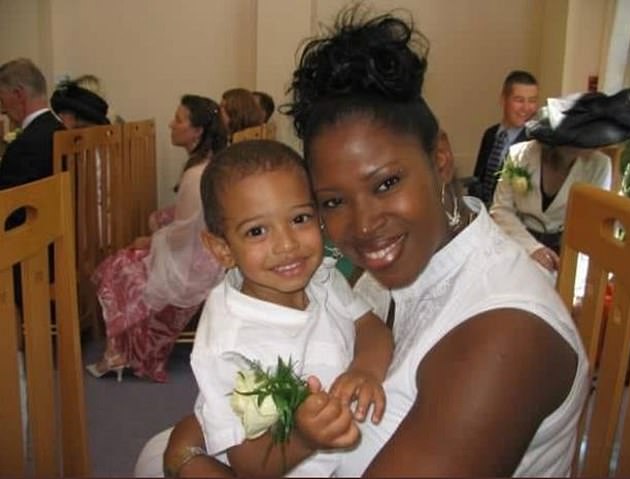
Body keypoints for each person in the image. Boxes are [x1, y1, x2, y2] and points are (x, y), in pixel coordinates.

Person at [144, 8, 593, 477]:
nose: (363, 226)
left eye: (386, 184)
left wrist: (188, 458)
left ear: (440, 158)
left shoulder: (505, 337)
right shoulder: (398, 269)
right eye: (332, 202)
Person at [165, 139, 392, 477]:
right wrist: (302, 437)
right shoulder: (229, 344)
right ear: (222, 249)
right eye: (257, 231)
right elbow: (248, 464)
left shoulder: (322, 277)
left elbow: (370, 327)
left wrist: (365, 370)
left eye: (300, 218)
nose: (287, 245)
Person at [87, 95, 227, 383]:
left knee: (118, 265)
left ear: (197, 130)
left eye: (178, 119)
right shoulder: (207, 164)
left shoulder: (196, 173)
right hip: (205, 253)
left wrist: (151, 241)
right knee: (135, 249)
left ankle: (125, 352)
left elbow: (182, 234)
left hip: (197, 262)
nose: (170, 124)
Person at [489, 90, 630, 274]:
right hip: (517, 246)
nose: (601, 144)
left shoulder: (600, 165)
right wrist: (533, 248)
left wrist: (574, 273)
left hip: (565, 255)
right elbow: (501, 210)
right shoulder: (519, 155)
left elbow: (592, 226)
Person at [471, 70, 539, 206]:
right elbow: (478, 179)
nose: (526, 108)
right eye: (519, 100)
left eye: (532, 101)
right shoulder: (490, 134)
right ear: (503, 100)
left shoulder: (535, 142)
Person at [0, 58, 64, 198]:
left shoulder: (23, 147)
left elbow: (8, 208)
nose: (2, 110)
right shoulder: (63, 132)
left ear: (18, 94)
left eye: (1, 100)